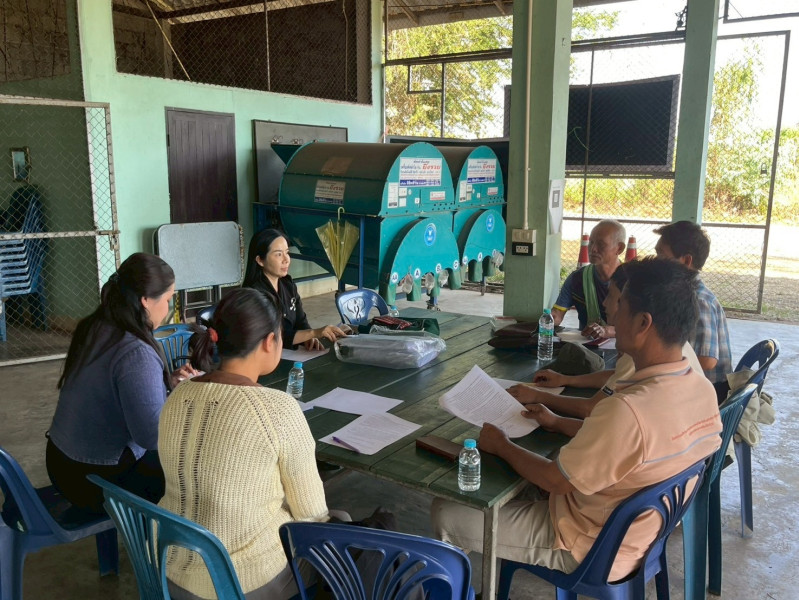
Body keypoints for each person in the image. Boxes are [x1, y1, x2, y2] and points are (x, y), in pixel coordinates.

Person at [432, 258, 722, 582]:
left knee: (446, 512)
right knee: (519, 481)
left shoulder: (629, 411)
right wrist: (556, 422)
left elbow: (556, 480)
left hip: (591, 545)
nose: (612, 315)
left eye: (621, 305)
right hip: (639, 533)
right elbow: (625, 446)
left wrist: (501, 444)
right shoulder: (701, 390)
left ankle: (453, 586)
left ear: (643, 323)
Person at [158, 288, 332, 600]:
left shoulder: (179, 395)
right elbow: (312, 516)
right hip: (237, 582)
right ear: (269, 341)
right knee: (339, 530)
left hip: (166, 568)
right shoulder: (276, 409)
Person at [46, 253, 196, 513]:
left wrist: (165, 383)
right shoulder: (136, 351)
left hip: (61, 462)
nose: (169, 308)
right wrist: (186, 400)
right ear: (145, 300)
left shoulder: (96, 326)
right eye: (168, 299)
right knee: (191, 471)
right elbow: (150, 437)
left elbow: (118, 387)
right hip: (92, 480)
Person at [514, 261, 704, 418]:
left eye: (613, 297)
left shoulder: (638, 354)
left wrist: (538, 396)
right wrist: (566, 380)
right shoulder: (667, 344)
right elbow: (617, 376)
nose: (604, 303)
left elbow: (592, 410)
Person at [654, 220, 733, 402]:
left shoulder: (699, 300)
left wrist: (661, 365)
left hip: (708, 393)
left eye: (661, 255)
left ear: (686, 260)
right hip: (693, 384)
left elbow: (707, 361)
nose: (656, 261)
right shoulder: (681, 293)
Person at [243, 228, 347, 350]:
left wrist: (308, 336)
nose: (286, 259)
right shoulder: (254, 295)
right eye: (278, 254)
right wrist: (313, 333)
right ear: (260, 260)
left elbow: (300, 321)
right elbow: (275, 337)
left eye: (287, 252)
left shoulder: (288, 284)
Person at [552, 219, 626, 336]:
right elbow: (557, 315)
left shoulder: (631, 281)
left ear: (619, 248)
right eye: (591, 242)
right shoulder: (577, 279)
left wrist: (607, 331)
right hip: (586, 344)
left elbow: (641, 327)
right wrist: (549, 319)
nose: (593, 249)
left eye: (601, 244)